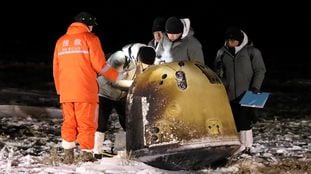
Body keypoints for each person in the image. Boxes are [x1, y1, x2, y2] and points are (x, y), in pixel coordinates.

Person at [53, 11, 121, 164]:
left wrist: (60, 90)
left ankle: (68, 155)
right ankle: (86, 155)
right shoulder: (91, 38)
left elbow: (56, 69)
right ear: (88, 25)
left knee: (69, 122)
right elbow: (100, 66)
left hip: (66, 91)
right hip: (85, 89)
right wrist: (116, 76)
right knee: (87, 122)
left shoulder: (61, 41)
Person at [93, 43, 156, 158]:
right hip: (104, 93)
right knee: (101, 123)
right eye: (144, 65)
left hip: (122, 95)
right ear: (138, 58)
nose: (145, 68)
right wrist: (136, 84)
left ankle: (125, 149)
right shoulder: (119, 58)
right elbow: (114, 82)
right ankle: (96, 152)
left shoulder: (146, 59)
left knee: (128, 122)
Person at [214, 26, 266, 154]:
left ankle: (247, 146)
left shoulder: (252, 52)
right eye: (229, 40)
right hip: (229, 93)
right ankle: (237, 146)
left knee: (245, 121)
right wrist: (223, 83)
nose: (231, 42)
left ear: (240, 40)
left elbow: (260, 70)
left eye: (234, 40)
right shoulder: (221, 52)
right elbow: (218, 72)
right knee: (234, 120)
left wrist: (255, 86)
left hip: (248, 91)